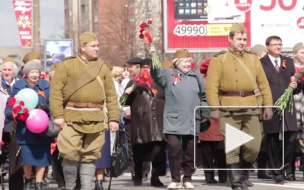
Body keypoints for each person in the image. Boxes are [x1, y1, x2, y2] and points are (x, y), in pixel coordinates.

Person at [205, 23, 273, 190]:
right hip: (228, 108)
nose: (242, 42)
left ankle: (242, 173)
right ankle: (236, 183)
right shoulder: (219, 59)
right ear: (230, 39)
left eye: (244, 39)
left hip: (251, 107)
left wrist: (268, 106)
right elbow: (211, 86)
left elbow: (263, 84)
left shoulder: (252, 59)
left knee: (254, 147)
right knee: (233, 147)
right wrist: (214, 108)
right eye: (239, 39)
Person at [49, 31, 119, 190]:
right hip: (72, 117)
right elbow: (55, 92)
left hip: (96, 117)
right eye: (93, 46)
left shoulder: (102, 67)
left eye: (98, 46)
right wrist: (58, 115)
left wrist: (114, 119)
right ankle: (70, 187)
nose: (97, 49)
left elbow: (111, 95)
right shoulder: (67, 65)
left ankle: (87, 188)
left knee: (91, 155)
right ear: (82, 47)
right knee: (70, 153)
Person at [150, 46, 210, 189]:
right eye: (184, 61)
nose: (187, 64)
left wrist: (205, 114)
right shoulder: (168, 74)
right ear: (176, 62)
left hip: (191, 119)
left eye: (189, 61)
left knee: (190, 151)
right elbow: (155, 72)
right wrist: (154, 55)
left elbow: (203, 96)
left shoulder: (196, 77)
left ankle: (187, 178)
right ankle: (176, 179)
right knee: (174, 148)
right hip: (173, 119)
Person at [5, 61, 54, 190]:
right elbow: (11, 102)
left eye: (37, 72)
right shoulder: (19, 86)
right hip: (25, 127)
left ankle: (38, 183)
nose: (35, 75)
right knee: (27, 156)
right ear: (26, 74)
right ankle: (27, 180)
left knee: (42, 156)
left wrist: (46, 108)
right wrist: (10, 114)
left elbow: (53, 105)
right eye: (32, 72)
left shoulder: (46, 86)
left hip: (42, 127)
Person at [260, 36, 299, 184]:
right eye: (274, 44)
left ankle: (286, 169)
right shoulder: (261, 64)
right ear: (267, 46)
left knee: (291, 137)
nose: (278, 46)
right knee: (273, 139)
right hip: (271, 105)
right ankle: (276, 172)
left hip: (288, 106)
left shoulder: (287, 62)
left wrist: (296, 86)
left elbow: (295, 83)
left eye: (280, 44)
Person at [123, 58, 166, 187]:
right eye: (144, 68)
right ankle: (138, 175)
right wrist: (126, 94)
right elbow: (123, 102)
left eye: (149, 67)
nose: (147, 70)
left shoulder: (160, 82)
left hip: (158, 122)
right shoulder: (134, 82)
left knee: (158, 151)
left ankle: (155, 176)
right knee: (139, 151)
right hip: (140, 122)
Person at [198, 59, 227, 184]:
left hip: (223, 117)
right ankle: (209, 175)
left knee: (222, 148)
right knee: (207, 149)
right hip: (207, 118)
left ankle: (223, 175)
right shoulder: (203, 82)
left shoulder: (225, 81)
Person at [0, 58, 26, 190]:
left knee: (15, 158)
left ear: (14, 72)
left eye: (9, 70)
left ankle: (15, 186)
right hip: (0, 125)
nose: (6, 72)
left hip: (13, 126)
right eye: (4, 69)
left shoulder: (20, 86)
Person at [249, 44, 272, 179]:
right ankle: (243, 172)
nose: (264, 59)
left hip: (264, 110)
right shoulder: (250, 70)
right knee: (250, 142)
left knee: (264, 142)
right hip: (251, 109)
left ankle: (262, 170)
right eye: (261, 56)